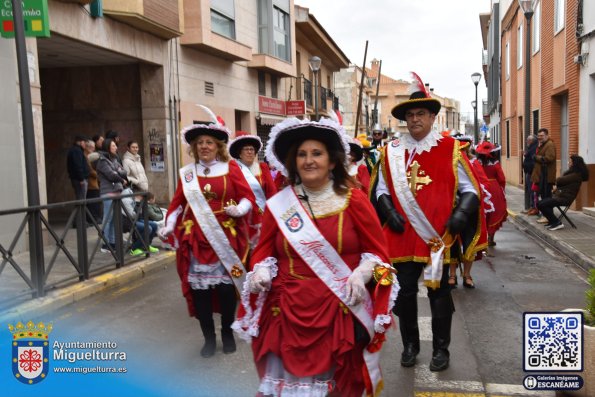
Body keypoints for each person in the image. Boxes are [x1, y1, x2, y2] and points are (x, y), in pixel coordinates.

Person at [233, 117, 397, 396]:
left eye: (317, 153)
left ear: (332, 161)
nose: (309, 161)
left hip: (339, 310)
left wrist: (363, 272)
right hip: (287, 311)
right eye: (302, 154)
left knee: (339, 387)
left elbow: (379, 253)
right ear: (293, 162)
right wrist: (260, 270)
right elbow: (263, 251)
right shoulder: (280, 205)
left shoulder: (353, 200)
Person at [370, 73, 484, 372]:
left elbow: (471, 190)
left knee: (439, 293)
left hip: (437, 236)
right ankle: (410, 345)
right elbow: (380, 188)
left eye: (421, 113)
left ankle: (441, 350)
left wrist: (460, 215)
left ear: (434, 117)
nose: (415, 119)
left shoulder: (451, 150)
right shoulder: (390, 152)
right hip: (401, 234)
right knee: (403, 292)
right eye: (410, 114)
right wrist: (387, 210)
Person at [158, 116, 255, 358]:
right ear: (194, 147)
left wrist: (240, 209)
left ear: (218, 146)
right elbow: (177, 204)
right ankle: (208, 338)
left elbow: (247, 198)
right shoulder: (188, 174)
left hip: (226, 238)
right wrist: (169, 225)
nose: (204, 146)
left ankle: (227, 333)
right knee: (199, 292)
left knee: (226, 289)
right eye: (200, 142)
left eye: (209, 142)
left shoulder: (231, 168)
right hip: (196, 239)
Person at [448, 134, 490, 289]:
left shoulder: (473, 163)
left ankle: (467, 275)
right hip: (451, 209)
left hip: (470, 210)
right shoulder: (448, 162)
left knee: (469, 242)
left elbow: (481, 183)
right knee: (451, 244)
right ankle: (452, 275)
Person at [227, 131, 277, 247]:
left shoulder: (262, 168)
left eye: (252, 149)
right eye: (246, 149)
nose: (250, 152)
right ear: (240, 153)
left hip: (262, 215)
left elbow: (271, 192)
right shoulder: (233, 169)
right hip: (242, 215)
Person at [537, 155, 589, 231]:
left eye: (570, 162)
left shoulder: (576, 175)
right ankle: (553, 221)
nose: (568, 163)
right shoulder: (573, 173)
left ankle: (557, 222)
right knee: (540, 204)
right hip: (560, 196)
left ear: (575, 163)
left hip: (564, 198)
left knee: (542, 204)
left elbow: (559, 180)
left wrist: (558, 183)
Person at [96, 138, 129, 252]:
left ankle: (113, 242)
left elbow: (124, 171)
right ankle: (105, 244)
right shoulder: (102, 161)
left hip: (117, 192)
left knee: (115, 219)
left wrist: (118, 173)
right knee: (108, 219)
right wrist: (120, 177)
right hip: (108, 192)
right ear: (107, 147)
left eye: (115, 146)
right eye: (113, 146)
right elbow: (111, 175)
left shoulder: (114, 159)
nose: (116, 147)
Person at [475, 141, 507, 248]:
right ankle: (490, 239)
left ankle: (481, 239)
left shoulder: (476, 163)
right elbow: (501, 178)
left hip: (481, 188)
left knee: (482, 213)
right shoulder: (495, 163)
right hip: (494, 189)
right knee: (494, 213)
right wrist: (502, 189)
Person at [120, 188, 159, 256]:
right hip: (127, 221)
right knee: (148, 228)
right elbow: (132, 215)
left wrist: (140, 205)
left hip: (135, 219)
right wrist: (138, 203)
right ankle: (134, 249)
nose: (142, 199)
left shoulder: (133, 198)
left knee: (154, 225)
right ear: (139, 196)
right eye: (142, 198)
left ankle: (146, 245)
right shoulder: (126, 200)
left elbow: (139, 214)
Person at [531, 128, 557, 201]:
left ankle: (548, 212)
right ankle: (546, 212)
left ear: (547, 136)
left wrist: (536, 157)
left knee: (546, 198)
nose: (539, 137)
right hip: (543, 176)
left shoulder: (550, 144)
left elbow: (549, 158)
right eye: (538, 136)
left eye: (542, 135)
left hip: (547, 176)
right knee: (544, 197)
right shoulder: (544, 144)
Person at [66, 135, 91, 200]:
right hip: (80, 180)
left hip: (79, 179)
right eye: (84, 142)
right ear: (79, 142)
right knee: (81, 200)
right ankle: (80, 210)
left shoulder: (77, 150)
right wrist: (81, 179)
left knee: (81, 199)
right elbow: (78, 165)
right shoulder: (76, 151)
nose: (86, 144)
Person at [85, 140, 102, 225]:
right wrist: (98, 175)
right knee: (92, 203)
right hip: (90, 184)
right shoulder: (86, 156)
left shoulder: (91, 156)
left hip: (94, 183)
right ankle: (92, 219)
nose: (93, 149)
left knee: (95, 203)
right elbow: (90, 170)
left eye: (94, 148)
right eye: (92, 148)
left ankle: (95, 218)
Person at [522, 134, 538, 214]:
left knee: (532, 190)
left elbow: (533, 161)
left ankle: (534, 208)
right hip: (529, 172)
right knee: (530, 190)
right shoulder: (531, 147)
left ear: (531, 141)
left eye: (527, 140)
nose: (526, 141)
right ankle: (532, 207)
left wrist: (526, 155)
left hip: (532, 173)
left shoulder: (534, 148)